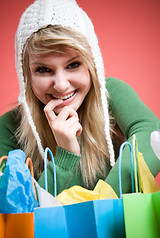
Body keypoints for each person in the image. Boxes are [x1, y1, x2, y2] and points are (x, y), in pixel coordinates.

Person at [0, 0, 160, 196]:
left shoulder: (110, 94)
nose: (60, 84)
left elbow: (153, 134)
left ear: (91, 64)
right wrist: (65, 155)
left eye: (73, 64)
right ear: (26, 76)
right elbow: (15, 209)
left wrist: (104, 197)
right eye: (43, 69)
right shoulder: (8, 127)